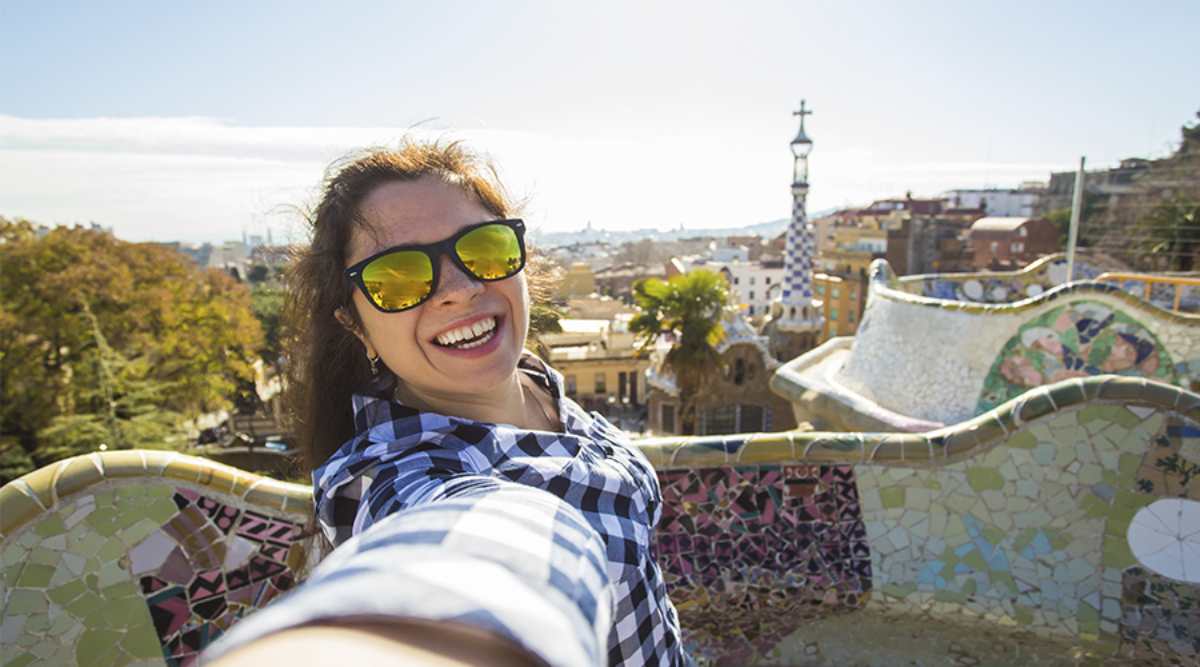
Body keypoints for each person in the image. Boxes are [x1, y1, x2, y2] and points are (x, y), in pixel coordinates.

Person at [205, 140, 687, 666]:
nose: (459, 289)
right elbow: (472, 540)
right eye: (398, 277)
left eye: (482, 248)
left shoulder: (538, 384)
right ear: (355, 325)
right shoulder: (399, 472)